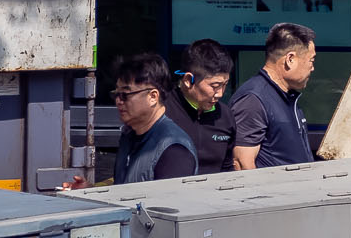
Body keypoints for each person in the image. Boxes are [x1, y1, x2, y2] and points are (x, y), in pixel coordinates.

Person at [227, 22, 316, 169]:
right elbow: (241, 164)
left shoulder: (287, 96)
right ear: (290, 59)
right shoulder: (253, 100)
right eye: (311, 60)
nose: (312, 68)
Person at [106, 53, 198, 183]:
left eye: (125, 95)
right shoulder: (129, 136)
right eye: (116, 94)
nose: (119, 101)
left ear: (153, 97)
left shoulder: (174, 149)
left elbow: (170, 201)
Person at [168, 38, 238, 174]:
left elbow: (228, 167)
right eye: (215, 86)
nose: (220, 94)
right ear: (188, 80)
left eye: (225, 85)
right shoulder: (162, 111)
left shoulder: (225, 116)